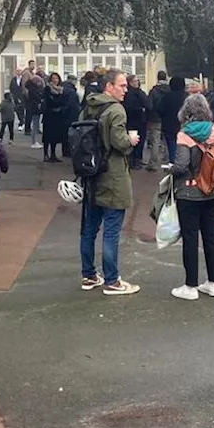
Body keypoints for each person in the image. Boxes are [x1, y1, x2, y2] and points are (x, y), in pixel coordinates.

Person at [79, 69, 141, 295]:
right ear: (109, 87)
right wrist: (131, 139)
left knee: (89, 229)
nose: (126, 89)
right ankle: (112, 281)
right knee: (111, 231)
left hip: (91, 175)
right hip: (113, 176)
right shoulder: (116, 110)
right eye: (122, 85)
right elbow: (120, 143)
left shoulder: (88, 107)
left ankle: (88, 275)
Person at [169, 93, 214, 300]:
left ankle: (190, 286)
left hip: (189, 192)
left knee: (190, 239)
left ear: (186, 112)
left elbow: (182, 164)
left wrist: (171, 170)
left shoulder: (184, 134)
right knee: (211, 237)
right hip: (211, 190)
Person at [158, 75, 188, 167]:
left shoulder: (166, 97)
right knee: (184, 147)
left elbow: (159, 109)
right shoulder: (187, 97)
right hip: (184, 126)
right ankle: (183, 165)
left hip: (169, 126)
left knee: (172, 147)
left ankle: (173, 164)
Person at [41, 72, 70, 162]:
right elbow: (49, 101)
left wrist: (59, 103)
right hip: (49, 115)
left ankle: (53, 154)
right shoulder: (47, 88)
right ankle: (46, 154)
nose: (55, 80)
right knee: (47, 136)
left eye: (57, 78)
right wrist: (58, 102)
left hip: (58, 116)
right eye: (53, 78)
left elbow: (64, 101)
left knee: (55, 136)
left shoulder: (61, 90)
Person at [144, 70, 170, 171]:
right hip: (167, 118)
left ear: (157, 78)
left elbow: (149, 105)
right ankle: (168, 161)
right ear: (165, 78)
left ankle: (153, 164)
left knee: (155, 141)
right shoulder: (169, 90)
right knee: (167, 140)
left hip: (155, 119)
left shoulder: (153, 91)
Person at [124, 75, 150, 169]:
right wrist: (140, 109)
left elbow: (148, 103)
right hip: (133, 120)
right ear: (130, 82)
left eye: (138, 81)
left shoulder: (140, 92)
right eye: (135, 81)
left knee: (141, 141)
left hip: (141, 120)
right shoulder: (129, 93)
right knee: (133, 140)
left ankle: (138, 159)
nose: (137, 83)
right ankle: (133, 160)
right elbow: (128, 107)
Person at [25, 72, 45, 147]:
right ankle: (34, 142)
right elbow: (38, 98)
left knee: (35, 124)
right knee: (35, 125)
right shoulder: (33, 89)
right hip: (35, 108)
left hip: (34, 108)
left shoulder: (31, 88)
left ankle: (35, 141)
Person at [9, 65, 29, 131]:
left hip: (23, 97)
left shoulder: (24, 79)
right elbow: (11, 88)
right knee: (17, 110)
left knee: (22, 110)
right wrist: (13, 96)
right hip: (15, 98)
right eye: (17, 71)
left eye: (20, 71)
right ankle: (21, 121)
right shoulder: (13, 79)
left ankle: (22, 123)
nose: (18, 72)